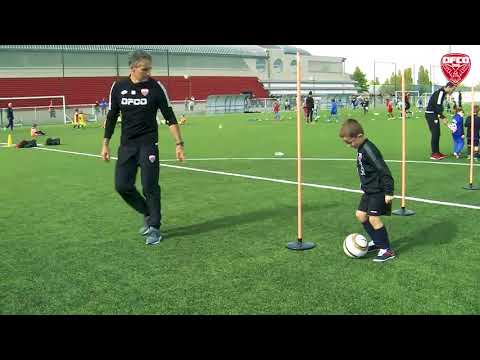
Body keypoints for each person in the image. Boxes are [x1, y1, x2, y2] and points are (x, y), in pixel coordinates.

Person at [101, 49, 185, 246]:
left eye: (150, 69)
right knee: (122, 186)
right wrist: (105, 143)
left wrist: (179, 144)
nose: (148, 73)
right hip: (127, 146)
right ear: (133, 68)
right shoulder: (118, 87)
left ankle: (154, 227)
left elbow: (170, 117)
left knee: (150, 186)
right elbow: (112, 116)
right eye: (144, 69)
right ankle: (147, 211)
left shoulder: (156, 87)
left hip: (148, 144)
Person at [339, 118, 396, 262]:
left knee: (374, 219)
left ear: (359, 136)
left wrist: (389, 191)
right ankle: (377, 242)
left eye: (350, 142)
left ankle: (387, 249)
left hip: (379, 190)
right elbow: (366, 170)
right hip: (369, 191)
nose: (349, 145)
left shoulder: (369, 149)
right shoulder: (360, 148)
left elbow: (383, 169)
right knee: (360, 215)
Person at [425, 81, 457, 160]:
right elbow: (438, 106)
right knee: (435, 133)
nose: (453, 92)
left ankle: (437, 152)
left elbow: (438, 107)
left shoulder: (442, 93)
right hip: (431, 114)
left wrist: (441, 116)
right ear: (448, 87)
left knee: (437, 133)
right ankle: (434, 154)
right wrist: (443, 117)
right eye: (452, 90)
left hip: (434, 114)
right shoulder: (441, 93)